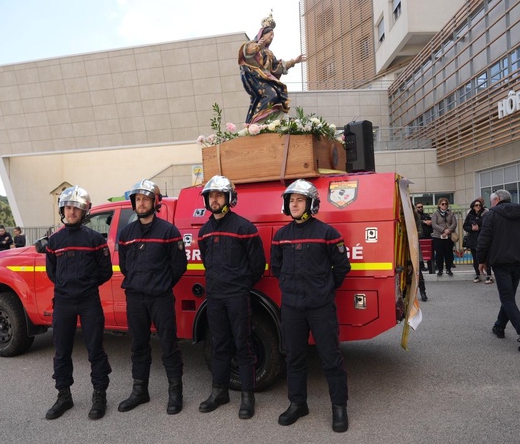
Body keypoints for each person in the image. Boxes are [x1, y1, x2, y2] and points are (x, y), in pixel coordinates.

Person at [271, 180, 351, 432]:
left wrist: (323, 291)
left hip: (320, 308)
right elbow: (276, 268)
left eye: (299, 200)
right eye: (291, 200)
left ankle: (339, 407)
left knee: (330, 357)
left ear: (311, 204)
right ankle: (297, 404)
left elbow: (341, 268)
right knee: (294, 357)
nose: (294, 205)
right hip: (292, 308)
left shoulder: (328, 233)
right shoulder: (281, 236)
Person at [197, 175, 266, 419]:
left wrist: (241, 285)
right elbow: (207, 261)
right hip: (214, 296)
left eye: (219, 195)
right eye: (211, 196)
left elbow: (258, 264)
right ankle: (219, 392)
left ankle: (247, 396)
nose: (214, 200)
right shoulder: (204, 232)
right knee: (219, 343)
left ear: (229, 199)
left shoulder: (244, 228)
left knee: (243, 344)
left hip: (237, 296)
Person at [117, 180, 187, 415]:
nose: (141, 203)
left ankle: (175, 393)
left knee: (168, 344)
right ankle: (140, 391)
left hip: (161, 298)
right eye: (138, 199)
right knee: (138, 346)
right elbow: (125, 265)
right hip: (135, 298)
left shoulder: (169, 231)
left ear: (155, 202)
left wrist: (162, 284)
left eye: (146, 199)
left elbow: (178, 266)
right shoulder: (126, 233)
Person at [44, 186, 113, 420]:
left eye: (76, 208)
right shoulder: (54, 241)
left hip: (88, 302)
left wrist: (85, 285)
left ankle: (99, 395)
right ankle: (64, 396)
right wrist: (68, 286)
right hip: (63, 302)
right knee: (62, 351)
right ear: (63, 209)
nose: (72, 211)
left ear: (84, 211)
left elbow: (105, 272)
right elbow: (51, 273)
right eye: (68, 207)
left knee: (95, 350)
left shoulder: (94, 239)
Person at [476, 190, 520, 353]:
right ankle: (499, 326)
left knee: (507, 298)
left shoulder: (491, 215)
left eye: (492, 201)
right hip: (519, 263)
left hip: (501, 262)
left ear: (497, 200)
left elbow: (483, 240)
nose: (491, 204)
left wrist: (480, 260)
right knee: (509, 297)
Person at [238, 12, 306, 124]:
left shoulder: (269, 52)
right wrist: (257, 47)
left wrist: (294, 61)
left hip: (266, 78)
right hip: (256, 77)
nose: (272, 37)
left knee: (277, 94)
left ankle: (272, 118)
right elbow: (247, 52)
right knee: (271, 94)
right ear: (263, 34)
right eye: (270, 34)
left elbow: (277, 67)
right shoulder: (253, 44)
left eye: (273, 35)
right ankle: (257, 121)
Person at [463, 198, 493, 284]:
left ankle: (489, 275)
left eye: (479, 205)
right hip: (473, 239)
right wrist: (471, 228)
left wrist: (479, 228)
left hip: (483, 238)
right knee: (475, 258)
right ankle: (477, 274)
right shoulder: (470, 215)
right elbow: (465, 226)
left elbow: (488, 226)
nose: (478, 206)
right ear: (473, 206)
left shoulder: (485, 214)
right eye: (476, 205)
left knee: (486, 258)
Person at [431, 198, 457, 276]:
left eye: (446, 204)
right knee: (439, 253)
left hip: (448, 236)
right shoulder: (435, 214)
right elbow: (434, 224)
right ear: (439, 205)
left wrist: (448, 230)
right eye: (442, 204)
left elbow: (454, 223)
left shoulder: (451, 213)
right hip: (438, 236)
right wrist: (443, 230)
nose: (444, 205)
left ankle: (448, 269)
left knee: (448, 253)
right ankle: (440, 269)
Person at [413, 208, 428, 301]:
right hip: (401, 246)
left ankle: (423, 292)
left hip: (413, 245)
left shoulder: (416, 216)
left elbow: (420, 231)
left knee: (418, 271)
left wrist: (412, 235)